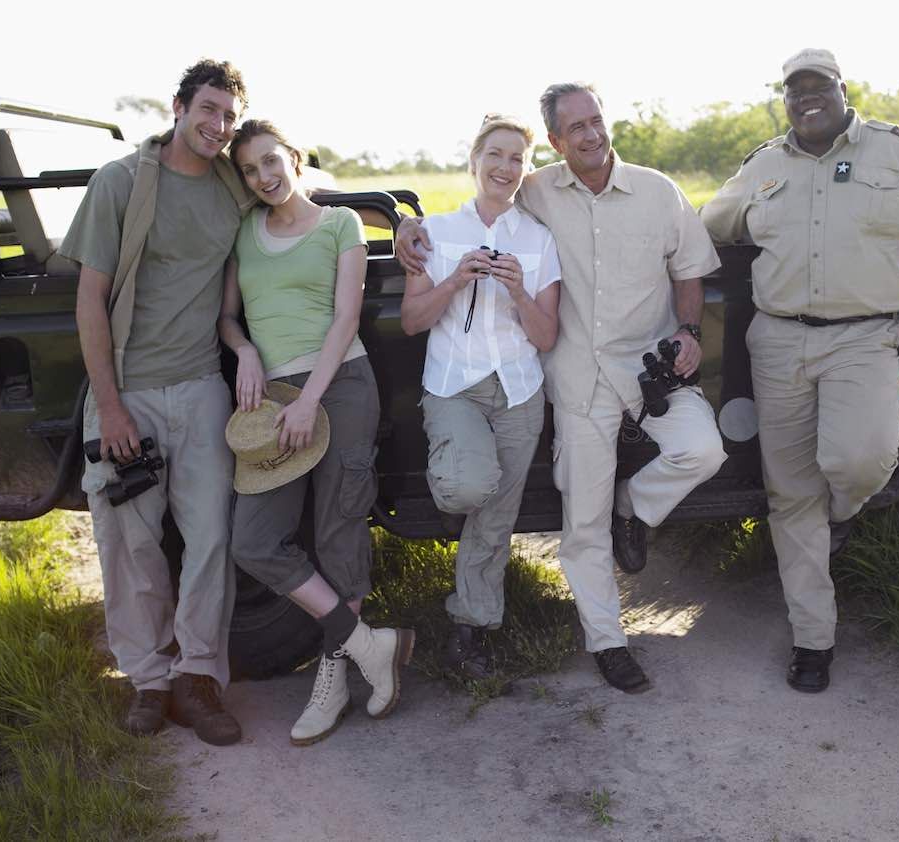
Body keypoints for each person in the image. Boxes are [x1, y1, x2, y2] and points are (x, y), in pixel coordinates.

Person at [397, 84, 727, 693]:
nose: (590, 134)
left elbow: (690, 273)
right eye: (574, 127)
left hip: (649, 367)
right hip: (576, 382)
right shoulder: (536, 187)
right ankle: (608, 643)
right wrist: (407, 226)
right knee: (581, 524)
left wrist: (688, 331)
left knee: (704, 449)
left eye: (596, 120)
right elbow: (483, 193)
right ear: (556, 141)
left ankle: (636, 508)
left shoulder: (659, 192)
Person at [701, 48, 899, 693]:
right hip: (778, 342)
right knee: (790, 495)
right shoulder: (763, 165)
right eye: (795, 90)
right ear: (784, 100)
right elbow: (708, 226)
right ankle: (812, 640)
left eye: (818, 85)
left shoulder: (897, 152)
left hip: (869, 338)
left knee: (859, 463)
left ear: (843, 90)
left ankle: (844, 510)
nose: (807, 98)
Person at [61, 59, 252, 745]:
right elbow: (90, 297)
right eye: (208, 110)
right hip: (129, 390)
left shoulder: (234, 185)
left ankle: (198, 679)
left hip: (201, 384)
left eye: (229, 116)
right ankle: (147, 680)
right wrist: (110, 406)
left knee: (210, 540)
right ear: (178, 107)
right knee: (130, 544)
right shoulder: (121, 183)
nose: (218, 126)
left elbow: (292, 189)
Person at [221, 119, 415, 746]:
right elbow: (227, 316)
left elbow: (346, 318)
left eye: (271, 162)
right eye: (250, 170)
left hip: (342, 385)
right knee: (253, 539)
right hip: (275, 397)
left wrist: (311, 399)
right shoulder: (244, 233)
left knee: (338, 529)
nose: (264, 178)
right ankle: (369, 645)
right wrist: (245, 349)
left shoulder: (340, 225)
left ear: (294, 159)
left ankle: (330, 682)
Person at [399, 115, 561, 680]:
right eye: (495, 155)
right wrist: (452, 281)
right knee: (471, 488)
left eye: (516, 158)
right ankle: (455, 496)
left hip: (519, 386)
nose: (504, 167)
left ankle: (471, 629)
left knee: (498, 515)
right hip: (453, 383)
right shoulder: (434, 233)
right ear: (474, 162)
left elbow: (546, 337)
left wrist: (517, 288)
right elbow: (413, 322)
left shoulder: (539, 240)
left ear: (525, 168)